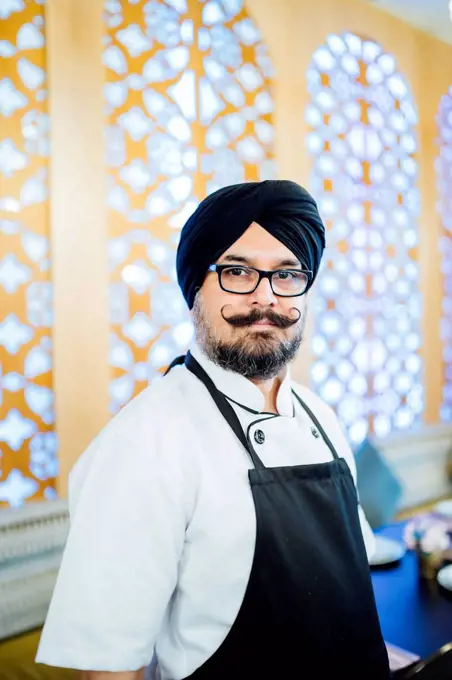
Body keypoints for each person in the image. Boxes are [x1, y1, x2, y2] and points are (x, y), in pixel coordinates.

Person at [37, 180, 390, 680]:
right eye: (238, 271)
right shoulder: (145, 442)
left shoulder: (321, 416)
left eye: (287, 274)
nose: (264, 298)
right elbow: (111, 669)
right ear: (194, 288)